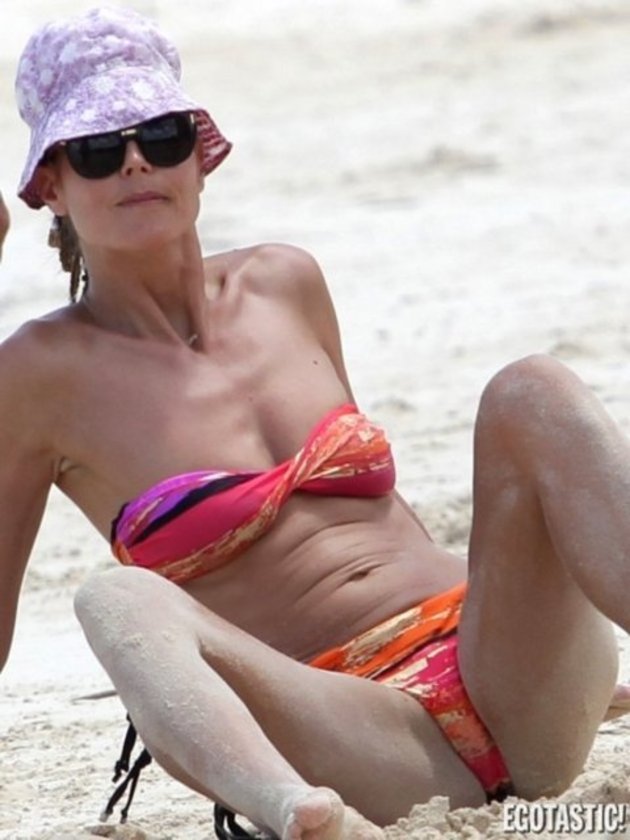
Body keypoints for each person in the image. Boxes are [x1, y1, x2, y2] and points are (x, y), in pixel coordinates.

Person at [2, 5, 630, 839]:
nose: (135, 163)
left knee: (532, 389)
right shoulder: (33, 377)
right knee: (116, 601)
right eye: (95, 149)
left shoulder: (284, 282)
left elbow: (377, 517)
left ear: (200, 157)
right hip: (357, 735)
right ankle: (301, 817)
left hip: (502, 664)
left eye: (160, 136)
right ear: (51, 186)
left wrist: (530, 623)